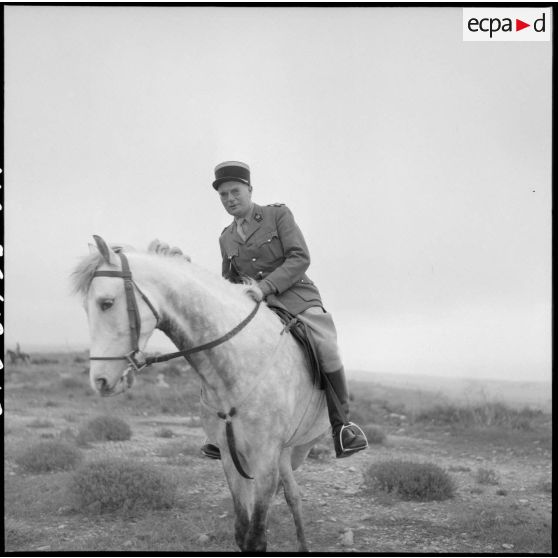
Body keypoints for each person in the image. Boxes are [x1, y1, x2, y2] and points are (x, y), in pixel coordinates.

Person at [201, 161, 368, 459]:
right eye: (223, 195)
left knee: (326, 347)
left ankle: (343, 427)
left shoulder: (278, 215)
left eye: (235, 191)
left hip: (297, 298)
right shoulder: (225, 237)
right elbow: (230, 281)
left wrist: (264, 288)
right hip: (256, 309)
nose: (230, 199)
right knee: (223, 351)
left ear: (250, 190)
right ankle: (221, 430)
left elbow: (299, 257)